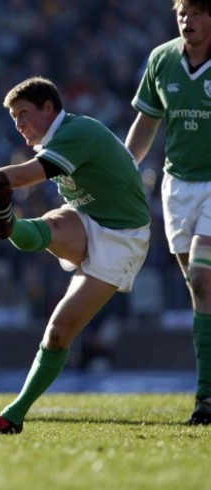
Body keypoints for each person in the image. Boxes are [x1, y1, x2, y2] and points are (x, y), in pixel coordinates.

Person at [0, 76, 151, 434]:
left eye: (24, 113)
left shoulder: (77, 132)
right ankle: (8, 221)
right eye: (14, 117)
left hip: (124, 237)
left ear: (49, 108)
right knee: (49, 227)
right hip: (87, 218)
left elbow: (25, 176)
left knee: (59, 332)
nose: (19, 124)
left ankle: (14, 412)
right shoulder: (58, 138)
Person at [125, 0, 211, 425]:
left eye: (197, 11)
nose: (186, 19)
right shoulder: (161, 59)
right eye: (182, 11)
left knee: (202, 275)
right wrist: (123, 170)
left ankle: (205, 398)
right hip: (176, 188)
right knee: (202, 295)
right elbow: (146, 125)